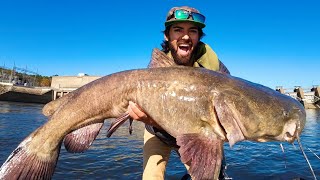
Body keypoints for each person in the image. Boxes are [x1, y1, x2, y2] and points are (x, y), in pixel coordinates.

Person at [128, 6, 230, 180]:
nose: (185, 36)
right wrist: (150, 120)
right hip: (157, 131)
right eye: (178, 30)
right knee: (151, 176)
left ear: (199, 37)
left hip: (197, 133)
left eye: (192, 31)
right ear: (167, 36)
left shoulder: (214, 67)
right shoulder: (156, 70)